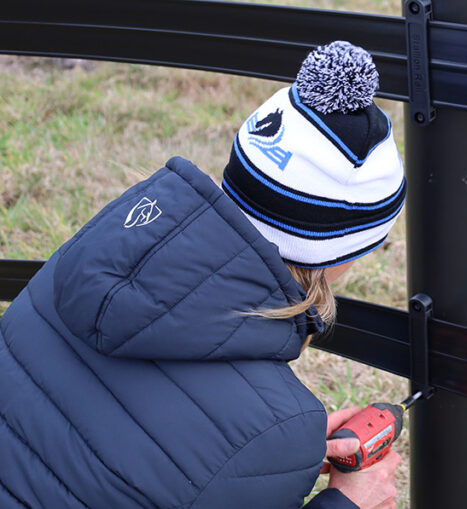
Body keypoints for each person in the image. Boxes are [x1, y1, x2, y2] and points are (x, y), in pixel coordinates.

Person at [0, 41, 405, 508]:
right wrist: (348, 503)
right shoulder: (272, 428)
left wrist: (277, 457)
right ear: (337, 254)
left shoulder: (86, 258)